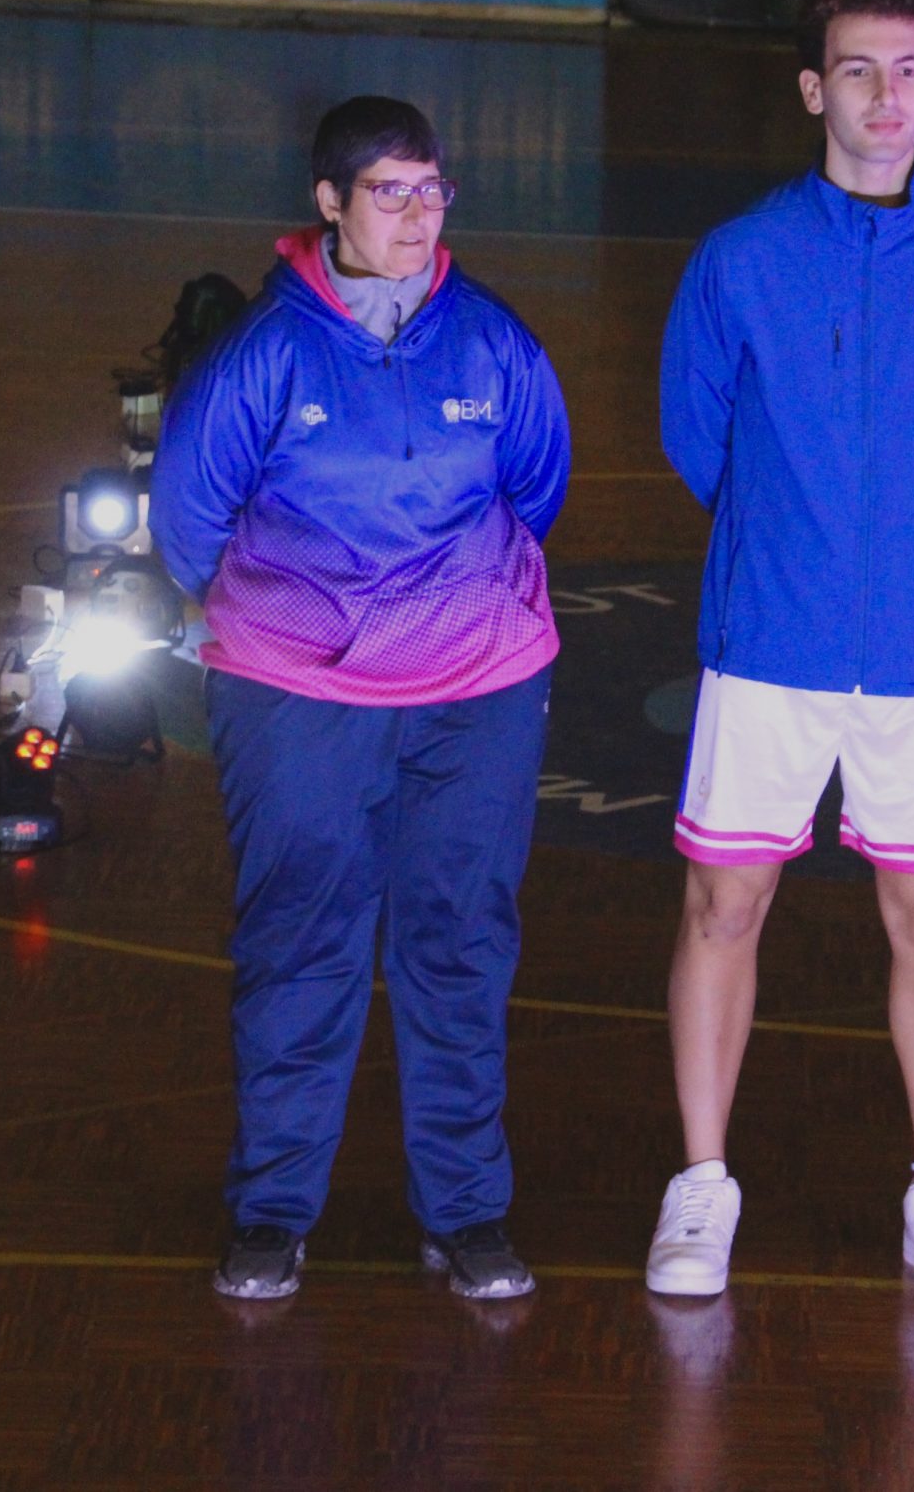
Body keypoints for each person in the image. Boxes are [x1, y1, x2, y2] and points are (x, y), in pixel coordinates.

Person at [647, 0, 914, 1305]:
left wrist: (911, 551)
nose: (887, 94)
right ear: (814, 87)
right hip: (768, 643)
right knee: (725, 902)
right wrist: (794, 547)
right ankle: (702, 1183)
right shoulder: (741, 257)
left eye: (909, 70)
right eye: (859, 69)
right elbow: (698, 437)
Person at [154, 95, 570, 1304]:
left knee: (461, 943)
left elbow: (536, 489)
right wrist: (303, 620)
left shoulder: (494, 344)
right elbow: (187, 527)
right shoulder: (261, 356)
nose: (418, 215)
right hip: (297, 696)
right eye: (390, 192)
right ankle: (272, 1213)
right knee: (300, 942)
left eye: (433, 191)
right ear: (329, 204)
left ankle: (468, 1215)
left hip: (478, 690)